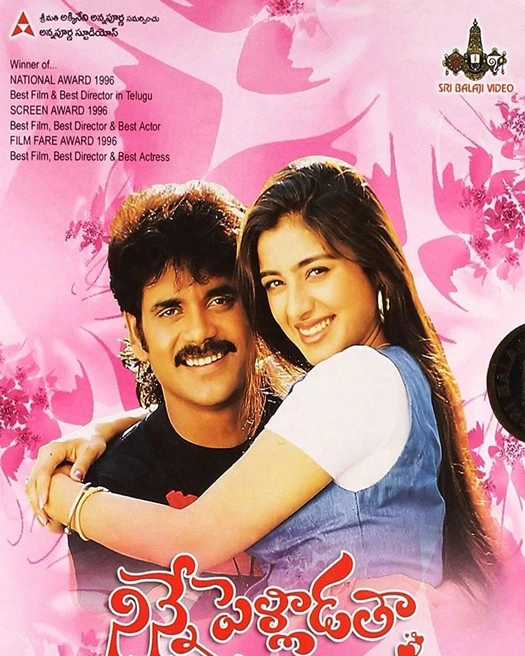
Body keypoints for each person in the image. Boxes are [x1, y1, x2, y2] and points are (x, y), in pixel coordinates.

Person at [27, 157, 495, 592]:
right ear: (136, 332)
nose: (297, 307)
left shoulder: (354, 378)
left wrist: (62, 496)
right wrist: (109, 427)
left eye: (316, 271)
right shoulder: (389, 374)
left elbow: (194, 540)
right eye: (275, 283)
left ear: (373, 266)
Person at [37, 180, 284, 608]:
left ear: (254, 306)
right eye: (170, 310)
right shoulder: (109, 487)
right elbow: (114, 643)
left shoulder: (314, 431)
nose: (199, 331)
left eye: (220, 299)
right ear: (137, 333)